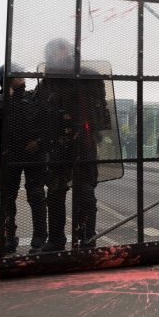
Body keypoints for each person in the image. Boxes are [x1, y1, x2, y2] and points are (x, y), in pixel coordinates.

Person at [36, 38, 110, 251]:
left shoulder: (88, 76)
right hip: (56, 146)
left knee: (85, 193)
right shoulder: (46, 81)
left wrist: (94, 132)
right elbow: (41, 112)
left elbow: (100, 110)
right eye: (55, 51)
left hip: (83, 145)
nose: (60, 54)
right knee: (55, 193)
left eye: (63, 50)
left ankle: (86, 239)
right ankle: (56, 240)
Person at [0, 64, 47, 254]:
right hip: (10, 156)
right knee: (7, 198)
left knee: (36, 195)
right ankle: (8, 238)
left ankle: (40, 238)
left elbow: (47, 122)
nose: (21, 77)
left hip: (34, 155)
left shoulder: (33, 97)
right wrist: (6, 95)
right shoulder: (0, 100)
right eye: (15, 76)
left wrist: (39, 142)